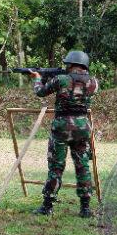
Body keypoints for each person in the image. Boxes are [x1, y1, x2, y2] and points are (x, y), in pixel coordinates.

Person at [30, 51, 99, 218]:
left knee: (56, 167)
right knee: (83, 166)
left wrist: (38, 78)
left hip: (62, 126)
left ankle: (47, 206)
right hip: (82, 127)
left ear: (70, 63)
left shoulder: (61, 79)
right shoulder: (93, 82)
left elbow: (40, 92)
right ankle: (85, 208)